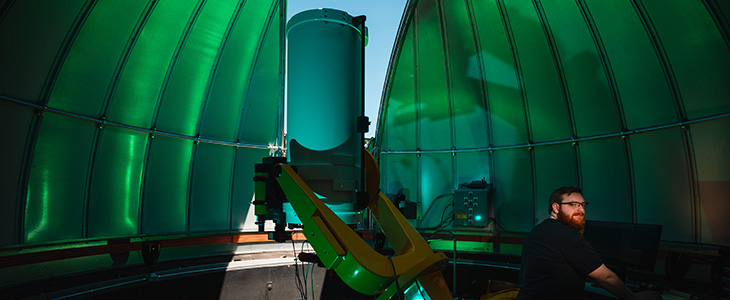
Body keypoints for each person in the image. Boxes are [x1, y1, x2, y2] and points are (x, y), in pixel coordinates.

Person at [516, 187, 661, 300]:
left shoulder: (538, 230)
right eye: (573, 205)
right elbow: (605, 277)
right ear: (556, 208)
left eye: (583, 205)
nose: (580, 210)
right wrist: (634, 297)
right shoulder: (567, 236)